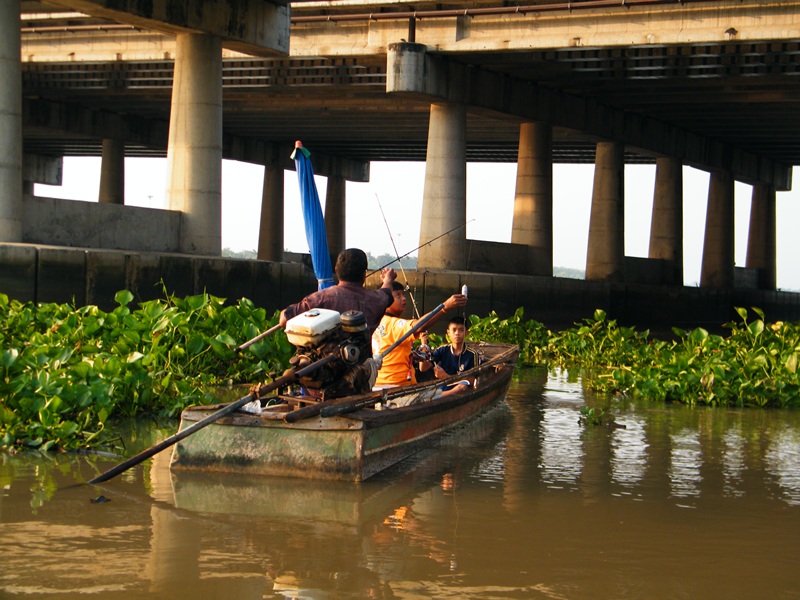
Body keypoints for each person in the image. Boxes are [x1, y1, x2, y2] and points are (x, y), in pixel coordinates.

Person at [279, 248, 396, 335]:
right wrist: (388, 278)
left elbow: (284, 320)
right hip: (361, 365)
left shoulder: (321, 298)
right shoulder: (376, 300)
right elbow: (386, 292)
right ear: (364, 274)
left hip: (323, 365)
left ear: (336, 270)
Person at [372, 282, 467, 388]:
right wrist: (445, 307)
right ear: (386, 300)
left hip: (378, 383)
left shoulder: (374, 321)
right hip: (397, 385)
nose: (404, 298)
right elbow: (419, 326)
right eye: (398, 295)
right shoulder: (394, 324)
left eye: (403, 294)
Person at [419, 315, 478, 396]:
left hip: (461, 392)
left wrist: (446, 377)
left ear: (466, 333)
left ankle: (439, 397)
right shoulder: (442, 350)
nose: (457, 333)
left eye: (461, 330)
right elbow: (423, 368)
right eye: (454, 330)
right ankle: (441, 396)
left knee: (462, 387)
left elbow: (473, 381)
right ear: (448, 332)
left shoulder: (472, 354)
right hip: (443, 388)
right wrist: (423, 344)